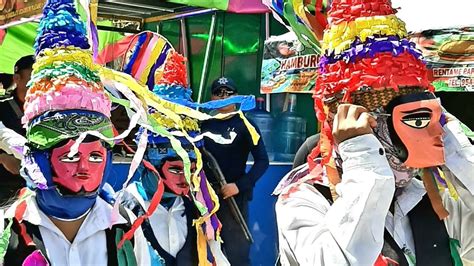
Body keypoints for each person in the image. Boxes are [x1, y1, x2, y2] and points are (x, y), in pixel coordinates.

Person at [274, 0, 474, 265]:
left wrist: (458, 153)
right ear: (364, 125)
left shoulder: (434, 198)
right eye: (418, 120)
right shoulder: (303, 201)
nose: (434, 132)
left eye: (437, 119)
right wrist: (364, 159)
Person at [0, 0, 150, 264]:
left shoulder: (125, 228)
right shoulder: (6, 232)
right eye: (70, 156)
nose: (85, 167)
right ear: (41, 161)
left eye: (95, 157)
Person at [118, 34, 228, 265]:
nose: (187, 178)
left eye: (192, 169)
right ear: (149, 160)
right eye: (177, 169)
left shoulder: (197, 212)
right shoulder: (123, 212)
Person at [201, 76, 269, 266]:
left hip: (233, 200)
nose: (223, 97)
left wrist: (239, 186)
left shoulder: (246, 125)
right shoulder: (202, 123)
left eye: (228, 93)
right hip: (204, 198)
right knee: (204, 251)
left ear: (236, 96)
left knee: (237, 254)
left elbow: (263, 161)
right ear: (211, 97)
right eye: (218, 93)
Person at [0, 58, 32, 203]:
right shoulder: (2, 108)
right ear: (17, 78)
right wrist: (3, 158)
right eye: (34, 76)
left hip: (36, 188)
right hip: (5, 186)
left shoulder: (51, 111)